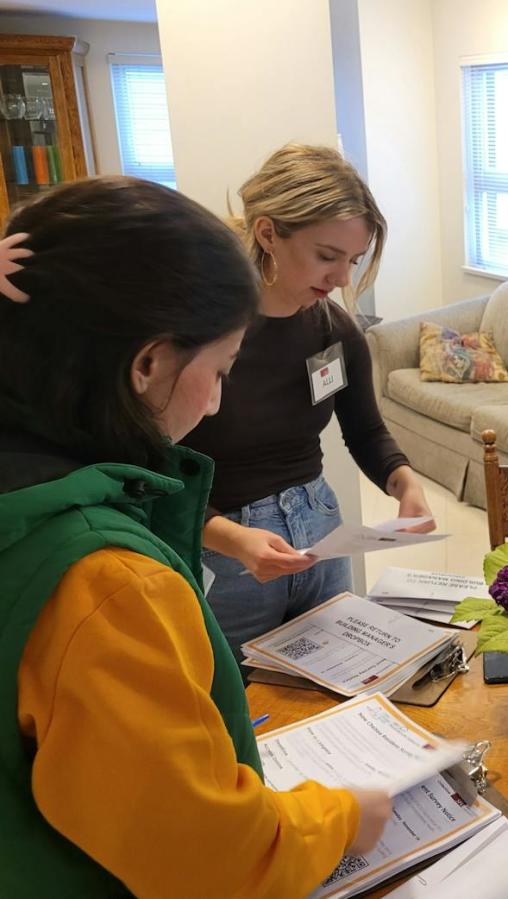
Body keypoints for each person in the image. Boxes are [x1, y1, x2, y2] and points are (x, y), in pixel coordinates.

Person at [0, 177, 390, 895]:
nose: (212, 401)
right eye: (217, 370)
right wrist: (338, 816)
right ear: (147, 363)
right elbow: (218, 861)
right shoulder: (107, 584)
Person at [182, 144, 435, 661]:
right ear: (268, 232)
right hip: (224, 553)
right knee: (244, 708)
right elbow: (153, 468)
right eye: (327, 256)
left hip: (320, 535)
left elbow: (365, 433)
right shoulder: (197, 333)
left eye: (353, 260)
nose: (343, 278)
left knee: (338, 688)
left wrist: (403, 481)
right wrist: (232, 539)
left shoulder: (333, 329)